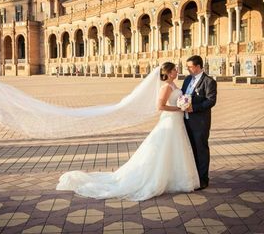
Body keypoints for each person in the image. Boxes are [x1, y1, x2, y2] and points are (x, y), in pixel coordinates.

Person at [56, 62, 200, 201]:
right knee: (166, 147)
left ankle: (174, 176)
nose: (177, 71)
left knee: (174, 148)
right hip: (170, 119)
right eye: (174, 69)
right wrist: (179, 108)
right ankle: (161, 177)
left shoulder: (174, 84)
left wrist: (183, 105)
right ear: (168, 73)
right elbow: (160, 106)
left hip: (177, 120)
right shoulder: (166, 87)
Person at [182, 55, 217, 191]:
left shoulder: (209, 82)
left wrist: (194, 108)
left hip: (200, 122)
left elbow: (211, 101)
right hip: (185, 120)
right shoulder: (187, 80)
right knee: (191, 149)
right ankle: (193, 176)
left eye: (189, 67)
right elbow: (183, 95)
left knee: (201, 149)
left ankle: (203, 179)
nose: (188, 69)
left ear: (197, 67)